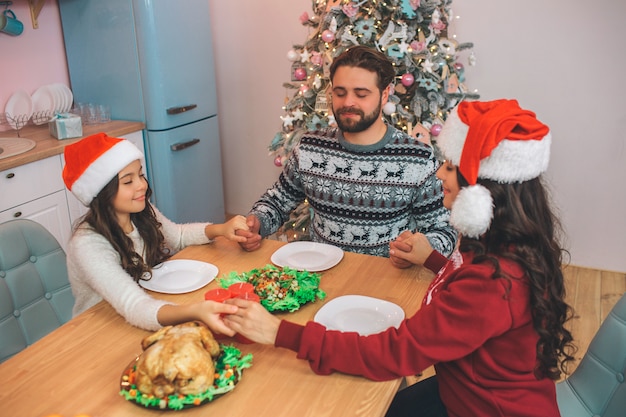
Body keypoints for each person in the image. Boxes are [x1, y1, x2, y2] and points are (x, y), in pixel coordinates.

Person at [224, 99, 576, 417]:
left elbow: (396, 354)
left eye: (451, 166)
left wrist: (278, 332)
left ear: (485, 190)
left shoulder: (493, 282)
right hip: (468, 388)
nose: (440, 174)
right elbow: (472, 298)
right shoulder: (505, 248)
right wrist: (434, 261)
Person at [237, 46, 456, 259]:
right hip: (322, 275)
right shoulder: (309, 147)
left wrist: (417, 251)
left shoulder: (417, 158)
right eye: (340, 93)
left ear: (385, 94)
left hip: (388, 280)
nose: (348, 103)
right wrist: (257, 222)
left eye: (361, 94)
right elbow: (277, 202)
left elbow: (443, 231)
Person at [62, 132, 247, 333]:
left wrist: (221, 229)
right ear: (102, 193)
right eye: (127, 181)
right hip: (98, 331)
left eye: (140, 174)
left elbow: (179, 237)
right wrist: (194, 311)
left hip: (139, 316)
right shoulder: (87, 244)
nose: (142, 185)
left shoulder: (138, 212)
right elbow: (133, 305)